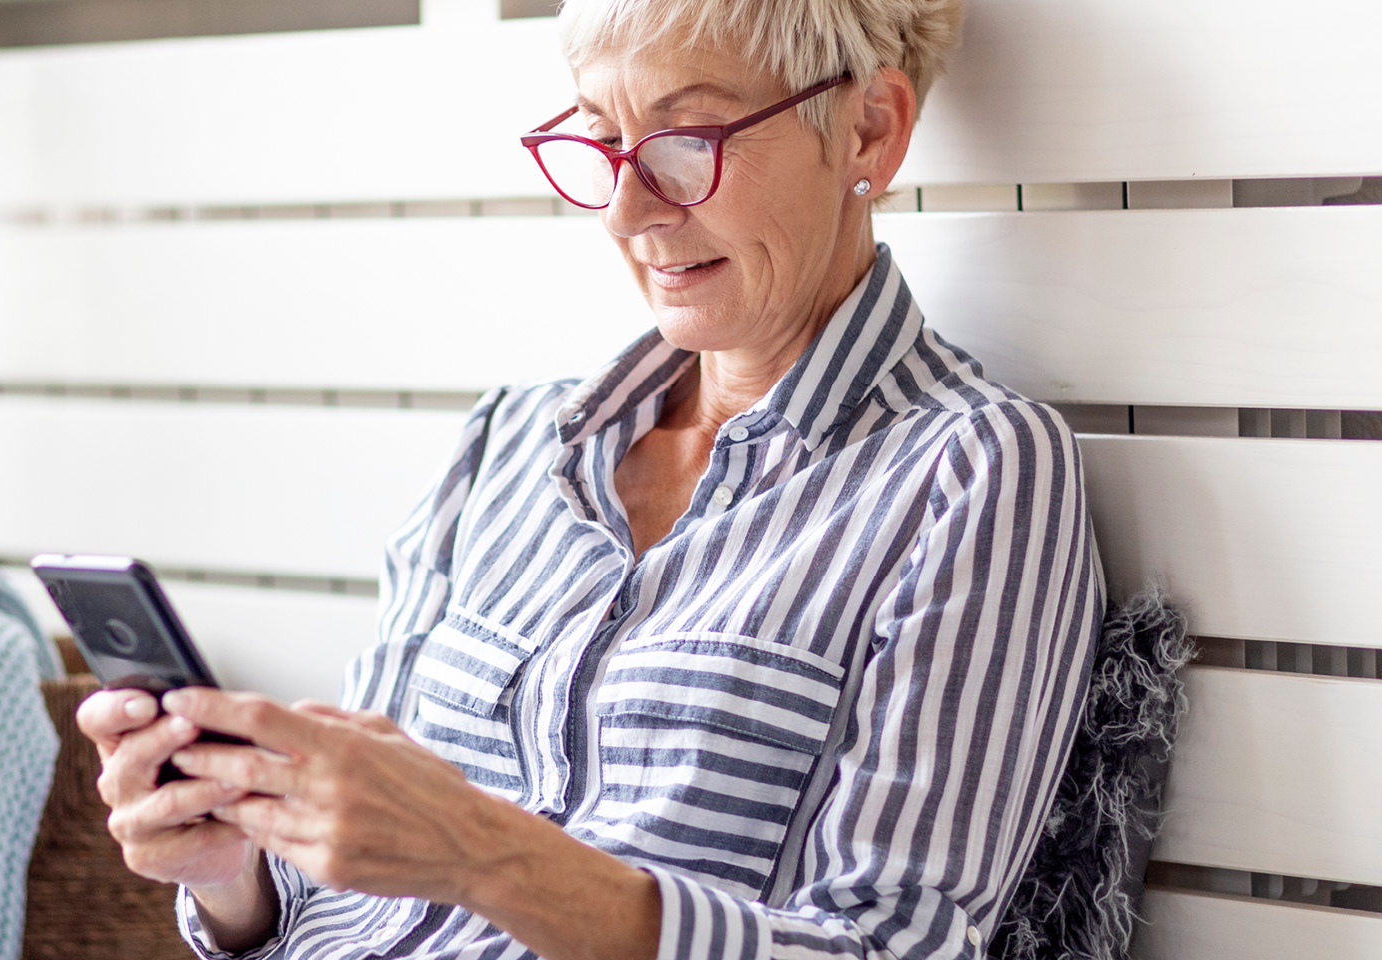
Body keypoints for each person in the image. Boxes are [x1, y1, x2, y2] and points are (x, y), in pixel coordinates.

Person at [77, 0, 1104, 957]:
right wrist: (235, 872)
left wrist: (481, 851)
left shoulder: (968, 471)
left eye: (686, 142)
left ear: (870, 130)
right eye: (603, 144)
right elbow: (339, 892)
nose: (625, 210)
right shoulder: (508, 442)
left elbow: (894, 944)